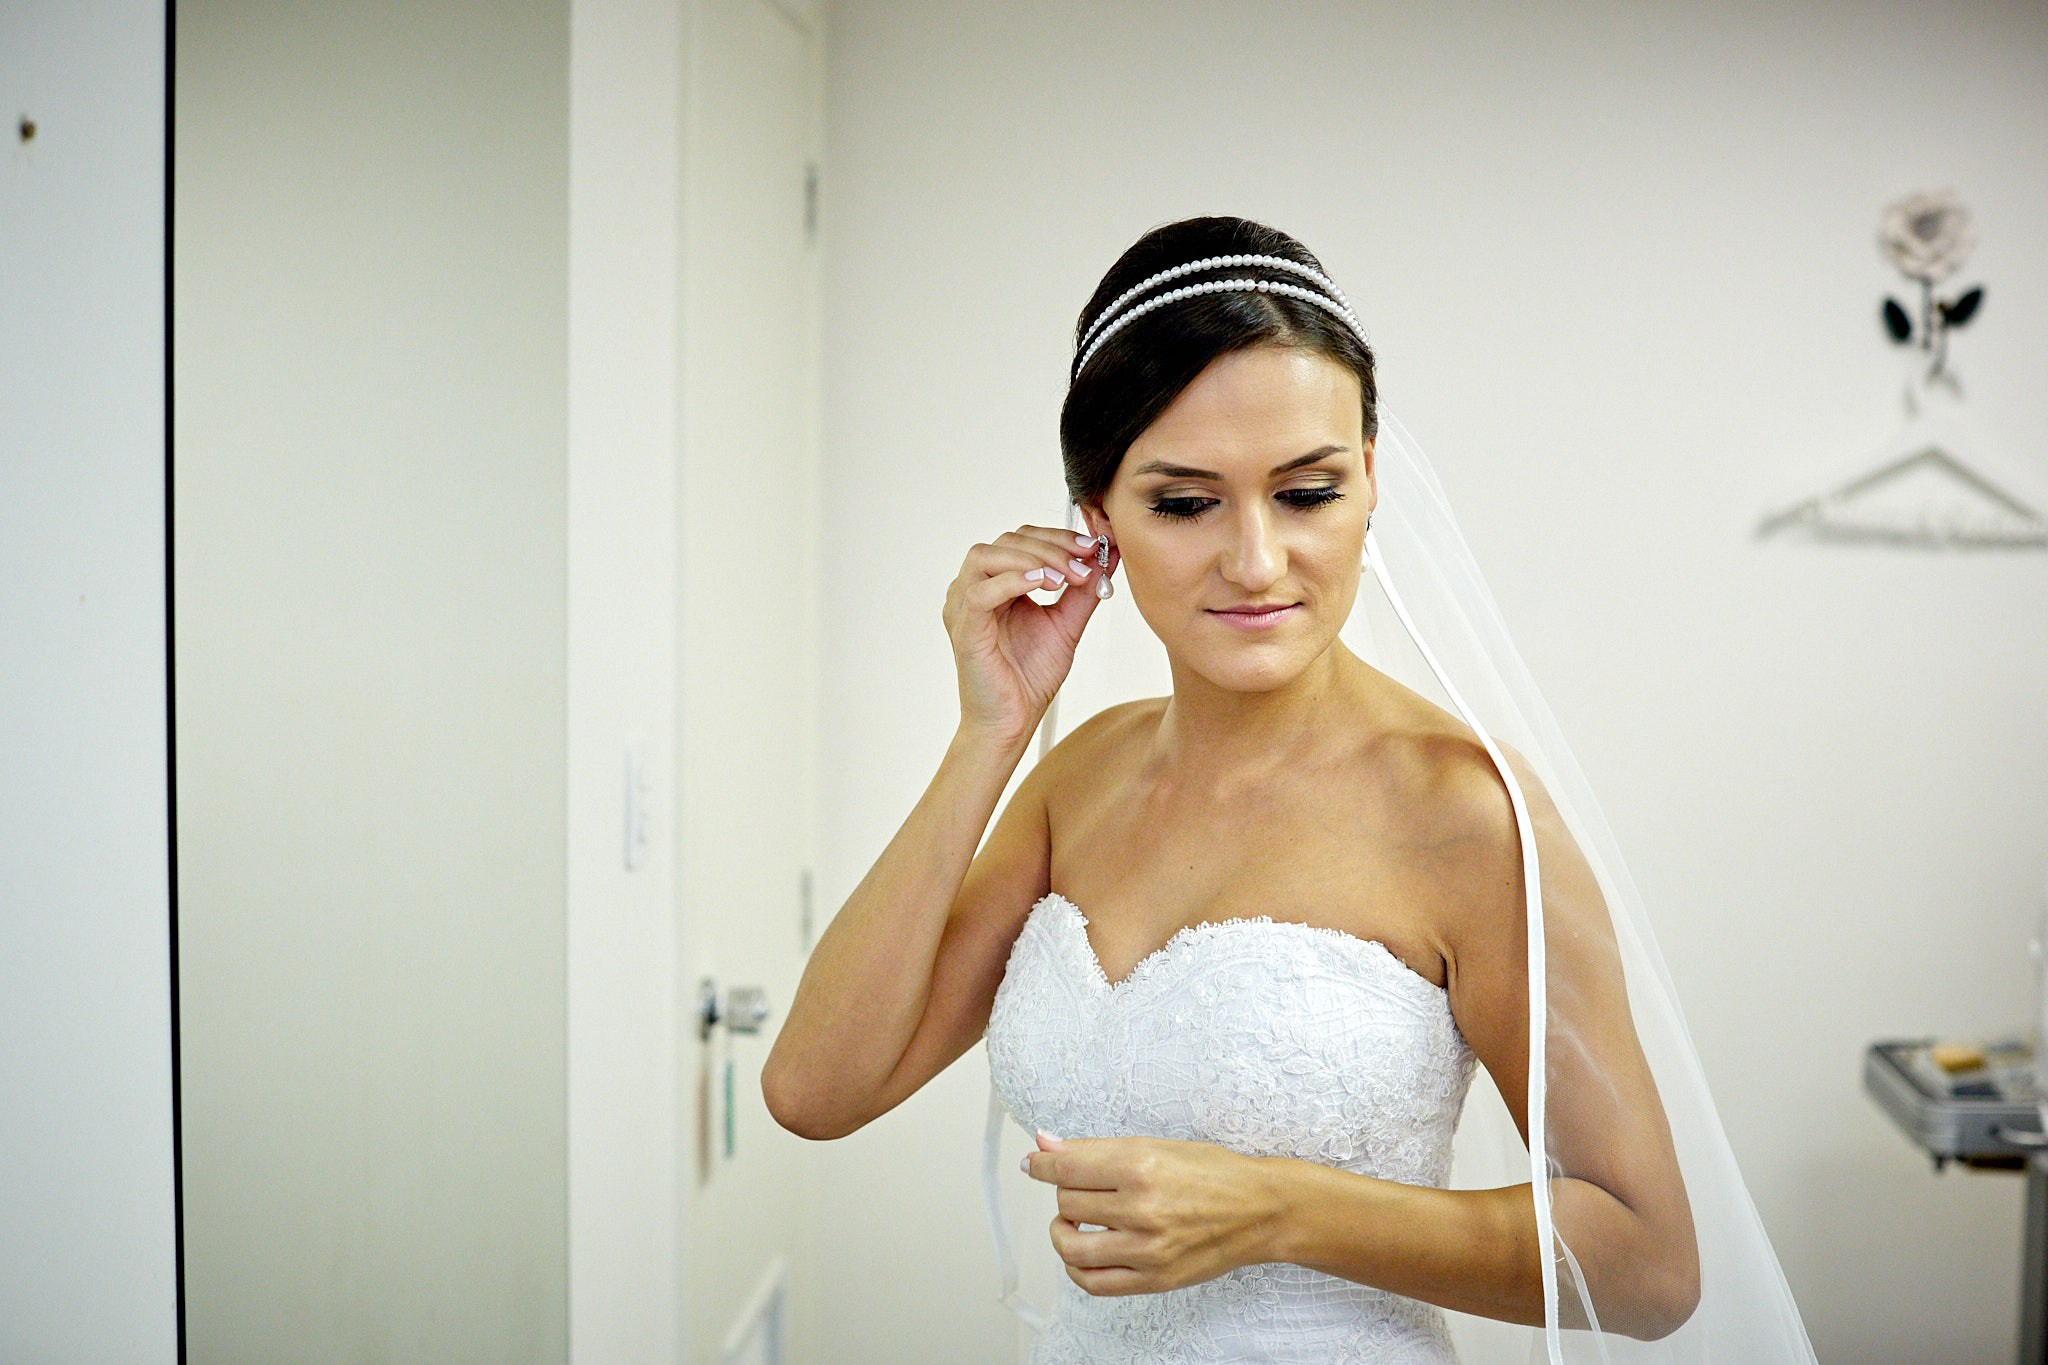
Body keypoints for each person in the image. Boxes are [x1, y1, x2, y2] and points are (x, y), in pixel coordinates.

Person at [763, 216, 1814, 1363]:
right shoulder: (1078, 778)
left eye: (1306, 492)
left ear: (1368, 480)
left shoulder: (1464, 813)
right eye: (1184, 503)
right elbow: (817, 1089)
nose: (1256, 562)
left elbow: (1647, 1267)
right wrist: (990, 732)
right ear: (1096, 520)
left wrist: (1276, 1210)